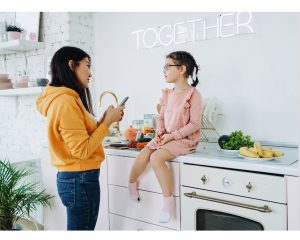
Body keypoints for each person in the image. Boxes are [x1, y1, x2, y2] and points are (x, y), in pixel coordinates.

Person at [36, 46, 124, 230]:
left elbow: (80, 137)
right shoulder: (65, 101)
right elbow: (82, 150)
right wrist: (107, 124)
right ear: (71, 65)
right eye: (87, 65)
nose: (90, 73)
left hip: (77, 179)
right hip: (80, 179)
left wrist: (103, 121)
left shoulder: (66, 98)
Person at [128, 51, 202, 223]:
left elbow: (194, 124)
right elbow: (161, 117)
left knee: (156, 158)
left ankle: (168, 200)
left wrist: (172, 136)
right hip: (166, 136)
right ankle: (131, 183)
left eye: (167, 66)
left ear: (182, 69)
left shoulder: (193, 95)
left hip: (184, 139)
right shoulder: (167, 94)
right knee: (145, 153)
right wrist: (160, 133)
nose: (164, 70)